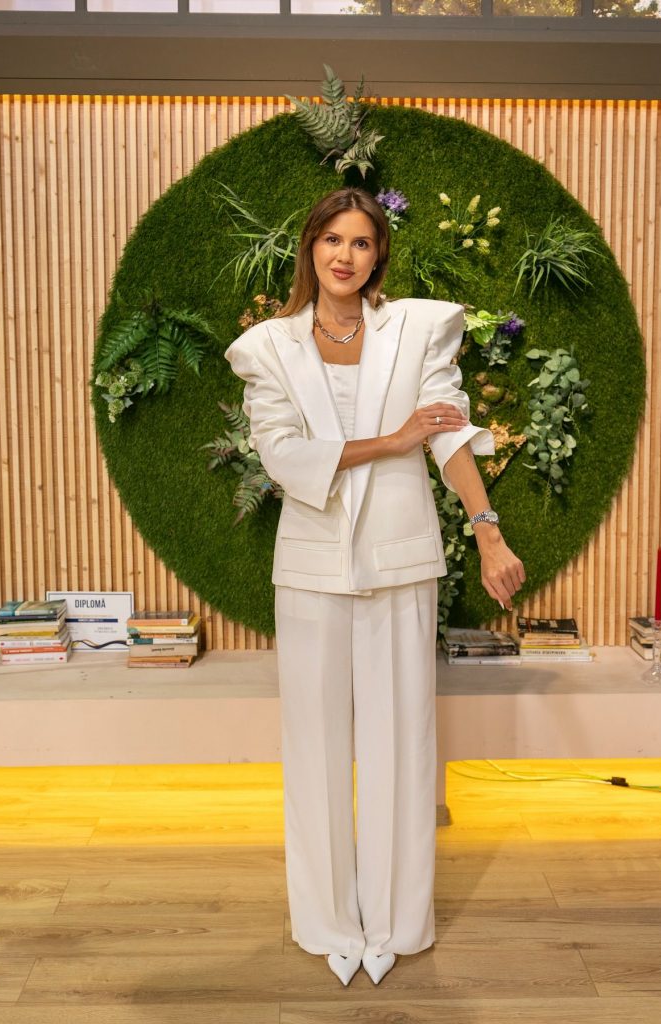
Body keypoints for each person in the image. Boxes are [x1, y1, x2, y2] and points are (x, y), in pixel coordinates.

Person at [225, 186, 524, 986]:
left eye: (360, 242)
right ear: (310, 248)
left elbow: (448, 436)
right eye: (332, 239)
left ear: (377, 255)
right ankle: (327, 923)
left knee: (401, 745)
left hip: (399, 561)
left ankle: (395, 923)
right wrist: (390, 441)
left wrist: (488, 532)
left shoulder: (418, 328)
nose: (344, 255)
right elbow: (283, 457)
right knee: (314, 748)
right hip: (311, 568)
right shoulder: (268, 347)